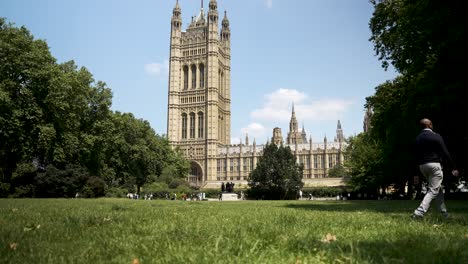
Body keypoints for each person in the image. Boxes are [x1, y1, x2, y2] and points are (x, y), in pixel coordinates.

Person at [412, 118, 459, 219]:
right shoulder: (435, 136)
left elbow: (415, 156)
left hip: (422, 166)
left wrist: (416, 174)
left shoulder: (417, 138)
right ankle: (418, 213)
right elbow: (445, 152)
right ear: (430, 125)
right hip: (434, 165)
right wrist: (453, 167)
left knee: (438, 189)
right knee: (433, 190)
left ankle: (444, 213)